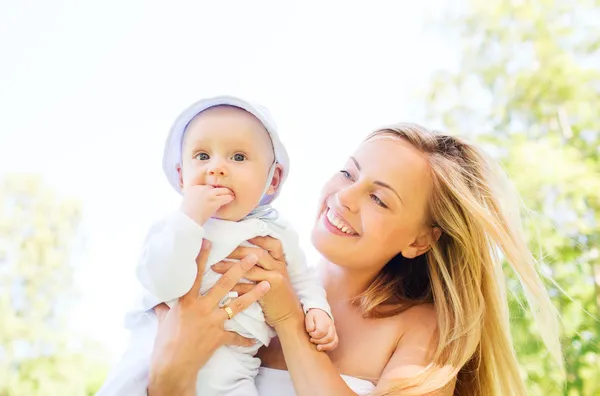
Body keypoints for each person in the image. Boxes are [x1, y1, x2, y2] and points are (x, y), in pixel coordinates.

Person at [146, 122, 562, 396]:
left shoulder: (423, 332)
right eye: (348, 173)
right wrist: (169, 377)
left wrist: (290, 321)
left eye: (378, 198)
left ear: (420, 240)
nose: (345, 197)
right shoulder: (239, 286)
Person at [97, 96, 336, 396]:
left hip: (235, 363)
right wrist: (190, 219)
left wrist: (317, 308)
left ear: (272, 179)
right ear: (182, 176)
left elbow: (302, 278)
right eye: (202, 156)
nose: (217, 168)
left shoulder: (277, 233)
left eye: (238, 157)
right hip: (157, 346)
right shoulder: (175, 226)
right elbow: (162, 283)